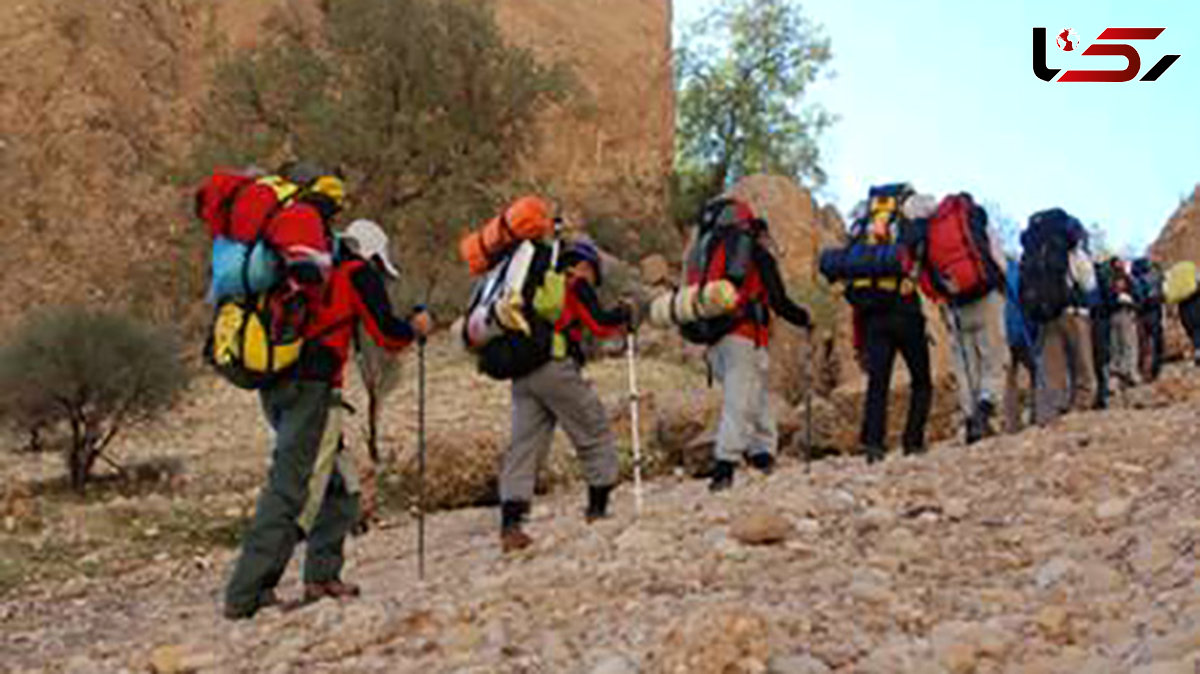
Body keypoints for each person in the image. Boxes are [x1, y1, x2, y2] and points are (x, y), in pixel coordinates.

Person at [224, 219, 432, 619]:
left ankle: (322, 577)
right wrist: (416, 327)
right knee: (292, 490)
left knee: (340, 487)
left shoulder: (308, 270)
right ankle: (247, 593)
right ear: (371, 254)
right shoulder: (356, 273)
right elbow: (387, 335)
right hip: (313, 393)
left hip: (278, 387)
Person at [499, 238, 632, 552]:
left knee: (524, 448)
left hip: (522, 374)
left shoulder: (529, 288)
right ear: (584, 265)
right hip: (556, 369)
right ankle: (597, 508)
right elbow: (599, 325)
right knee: (593, 429)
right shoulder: (575, 284)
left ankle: (510, 524)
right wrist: (624, 314)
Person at [698, 199, 812, 491]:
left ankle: (763, 454)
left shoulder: (710, 248)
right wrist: (804, 318)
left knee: (756, 394)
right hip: (744, 335)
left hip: (714, 336)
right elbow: (778, 299)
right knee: (740, 401)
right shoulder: (755, 252)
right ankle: (724, 467)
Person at [838, 185, 932, 464]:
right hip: (906, 312)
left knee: (878, 384)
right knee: (921, 381)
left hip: (874, 316)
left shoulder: (863, 225)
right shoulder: (906, 223)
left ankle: (873, 446)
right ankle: (912, 442)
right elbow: (920, 250)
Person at [1023, 211, 1096, 424]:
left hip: (1047, 315)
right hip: (1074, 313)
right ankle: (1081, 410)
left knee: (1053, 368)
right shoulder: (1072, 250)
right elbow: (1088, 283)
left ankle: (1050, 414)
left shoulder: (1035, 252)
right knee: (1082, 365)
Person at [1002, 257, 1039, 432]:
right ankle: (1037, 413)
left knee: (1008, 379)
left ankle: (1011, 423)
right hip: (1021, 330)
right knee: (1036, 371)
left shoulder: (989, 269)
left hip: (1001, 332)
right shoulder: (1017, 270)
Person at [1107, 258, 1141, 390]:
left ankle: (1116, 377)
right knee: (1129, 345)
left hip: (1113, 314)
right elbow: (1138, 297)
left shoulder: (1108, 279)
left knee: (1116, 345)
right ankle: (1129, 372)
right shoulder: (1127, 278)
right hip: (1125, 313)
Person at [1132, 258, 1165, 382]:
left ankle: (1145, 371)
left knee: (1144, 344)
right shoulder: (1152, 278)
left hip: (1142, 314)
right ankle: (1154, 370)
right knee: (1156, 342)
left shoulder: (1136, 280)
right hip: (1153, 312)